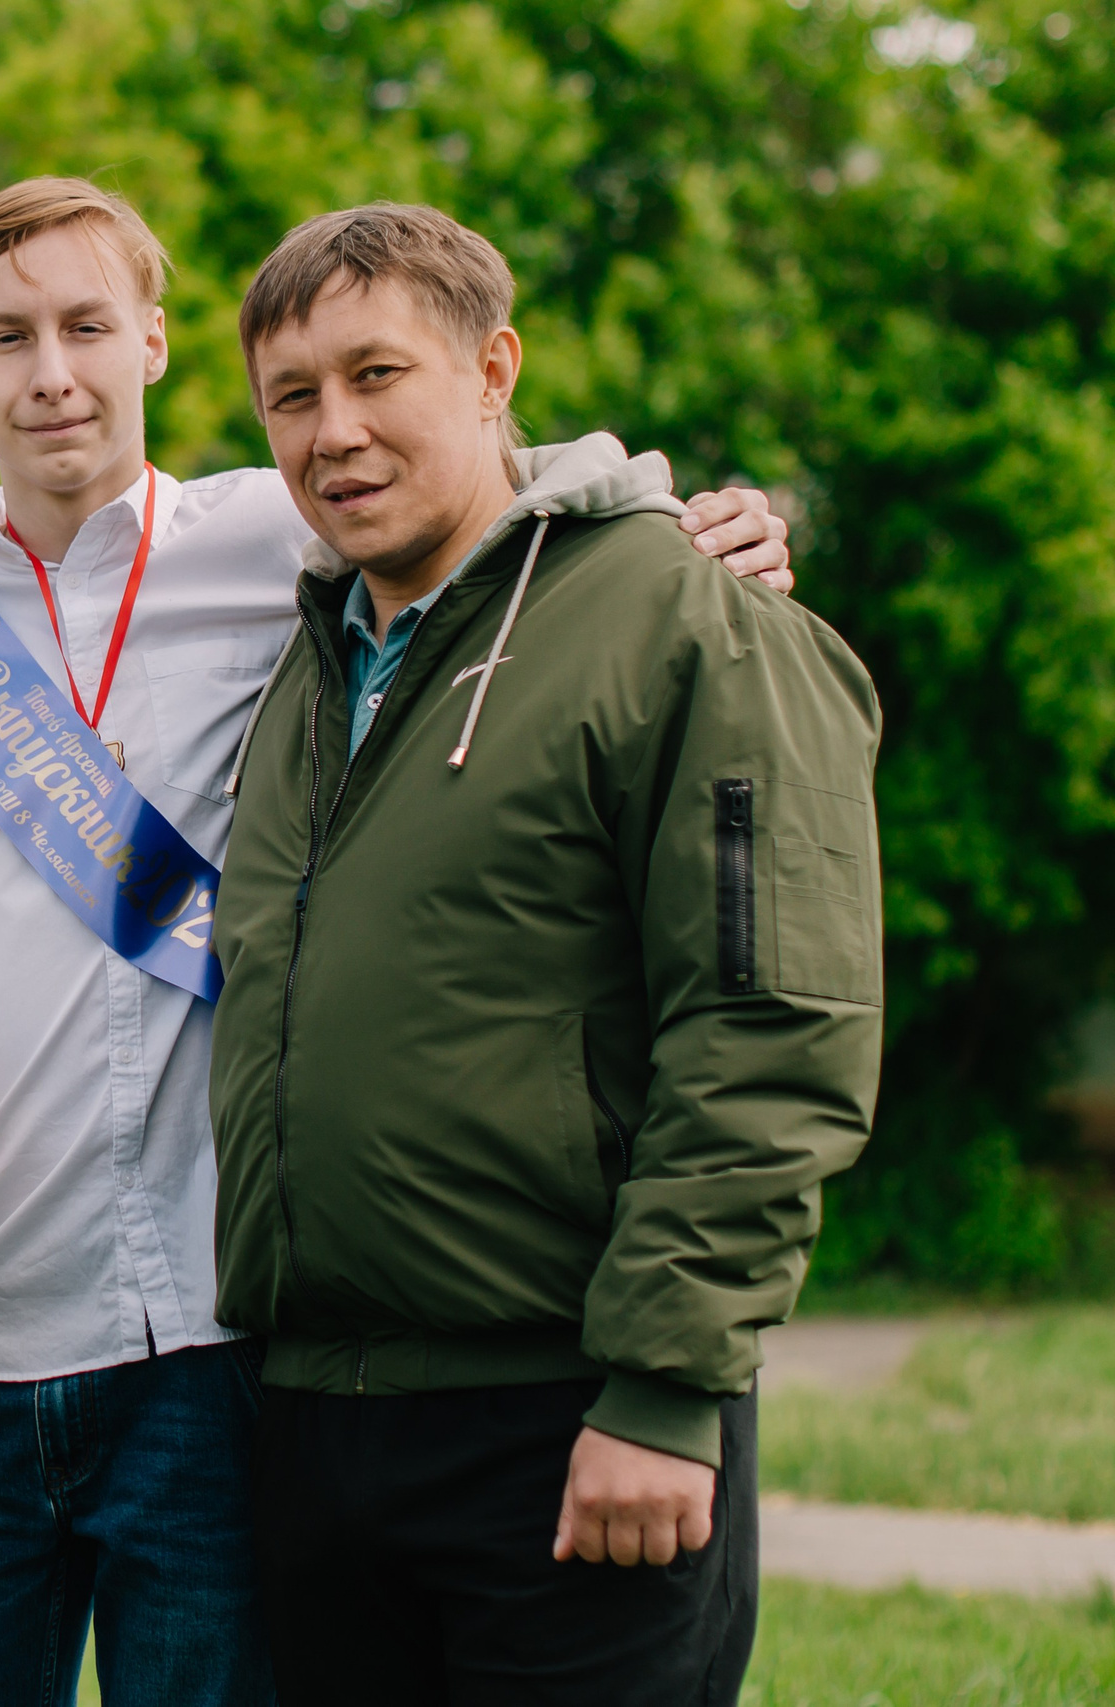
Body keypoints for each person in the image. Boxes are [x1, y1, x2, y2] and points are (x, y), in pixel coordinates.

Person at [0, 176, 799, 1706]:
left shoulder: (284, 530)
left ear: (152, 342)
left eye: (83, 325)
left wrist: (709, 520)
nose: (50, 370)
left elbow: (508, 488)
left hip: (209, 1319)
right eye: (6, 337)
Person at [206, 202, 881, 1704]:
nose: (337, 431)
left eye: (379, 373)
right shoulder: (307, 665)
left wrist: (661, 1388)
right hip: (314, 1422)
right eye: (294, 396)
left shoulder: (682, 616)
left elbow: (771, 1027)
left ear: (496, 366)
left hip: (571, 1418)